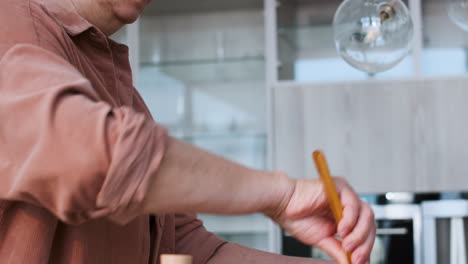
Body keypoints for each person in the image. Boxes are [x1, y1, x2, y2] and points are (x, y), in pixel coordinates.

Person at [0, 0, 376, 263]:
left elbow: (189, 248)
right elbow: (91, 155)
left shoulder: (127, 96)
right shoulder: (10, 21)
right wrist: (281, 195)